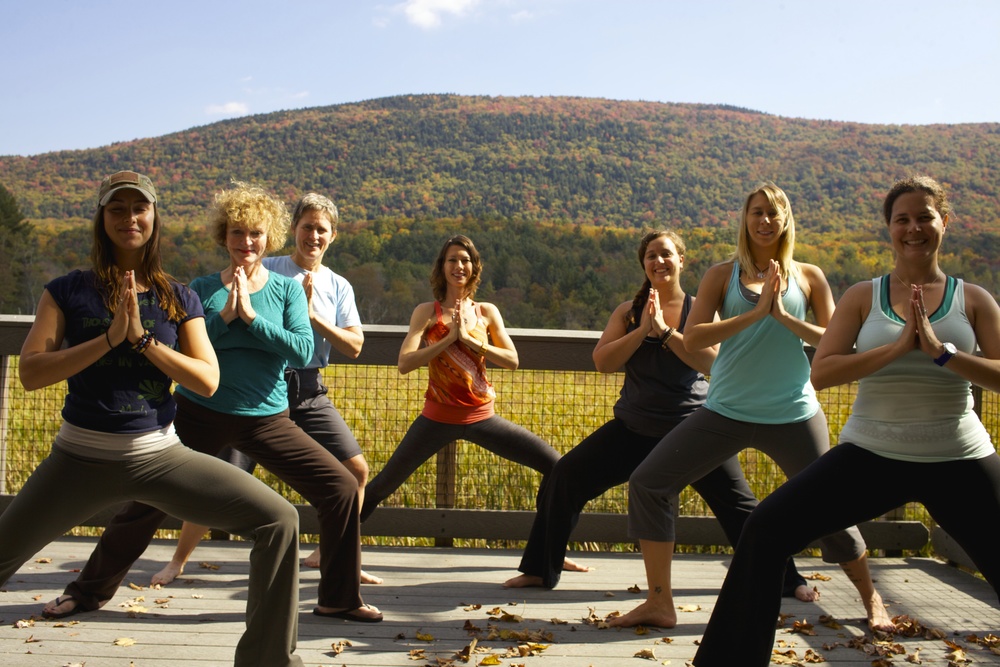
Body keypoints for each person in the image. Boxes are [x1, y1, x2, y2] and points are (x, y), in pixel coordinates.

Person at [693, 176, 1000, 666]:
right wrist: (896, 348)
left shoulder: (974, 299)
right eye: (902, 219)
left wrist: (945, 354)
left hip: (958, 456)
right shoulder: (864, 296)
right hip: (871, 454)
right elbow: (824, 371)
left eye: (925, 217)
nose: (913, 228)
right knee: (765, 530)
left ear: (945, 223)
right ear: (889, 229)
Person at [1, 171, 303, 666]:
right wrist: (107, 339)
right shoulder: (66, 291)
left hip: (158, 457)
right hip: (77, 459)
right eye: (116, 209)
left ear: (154, 218)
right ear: (102, 220)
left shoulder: (178, 297)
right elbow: (32, 373)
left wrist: (143, 341)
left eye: (138, 208)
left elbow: (207, 379)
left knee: (279, 520)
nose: (128, 218)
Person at [45, 181, 382, 624]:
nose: (247, 242)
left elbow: (302, 351)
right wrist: (224, 317)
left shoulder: (283, 290)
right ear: (224, 237)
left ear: (269, 238)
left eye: (256, 234)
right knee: (145, 506)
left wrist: (253, 320)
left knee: (339, 487)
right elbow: (188, 355)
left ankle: (339, 597)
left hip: (267, 419)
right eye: (238, 233)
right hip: (197, 416)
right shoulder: (201, 290)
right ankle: (86, 593)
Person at [609, 183, 891, 630]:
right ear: (745, 218)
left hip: (793, 414)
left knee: (831, 508)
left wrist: (784, 318)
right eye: (757, 212)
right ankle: (659, 602)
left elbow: (842, 341)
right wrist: (756, 314)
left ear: (785, 222)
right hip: (726, 411)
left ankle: (872, 599)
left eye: (774, 214)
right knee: (648, 482)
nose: (765, 221)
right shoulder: (721, 275)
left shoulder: (809, 276)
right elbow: (697, 336)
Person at [503, 230, 815, 597]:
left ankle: (788, 579)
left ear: (682, 261)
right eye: (651, 255)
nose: (659, 261)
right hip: (633, 428)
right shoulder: (628, 312)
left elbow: (711, 362)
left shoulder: (698, 309)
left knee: (739, 506)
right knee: (564, 478)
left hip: (693, 431)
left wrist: (666, 333)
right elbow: (603, 362)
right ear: (644, 264)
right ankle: (541, 569)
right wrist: (642, 331)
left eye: (666, 254)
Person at [148, 192, 381, 586]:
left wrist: (311, 317)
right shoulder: (265, 265)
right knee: (218, 475)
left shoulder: (338, 286)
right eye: (307, 227)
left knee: (354, 471)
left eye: (321, 230)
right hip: (255, 393)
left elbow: (353, 345)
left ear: (333, 236)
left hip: (306, 390)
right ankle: (179, 559)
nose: (313, 236)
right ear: (291, 230)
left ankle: (338, 557)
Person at [360, 234, 561, 524]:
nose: (459, 266)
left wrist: (469, 339)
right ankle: (331, 549)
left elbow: (512, 360)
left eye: (465, 260)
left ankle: (547, 550)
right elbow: (405, 363)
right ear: (442, 266)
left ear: (474, 267)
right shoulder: (427, 312)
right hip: (436, 419)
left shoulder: (486, 312)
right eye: (452, 259)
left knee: (555, 465)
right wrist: (448, 339)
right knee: (382, 485)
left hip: (482, 418)